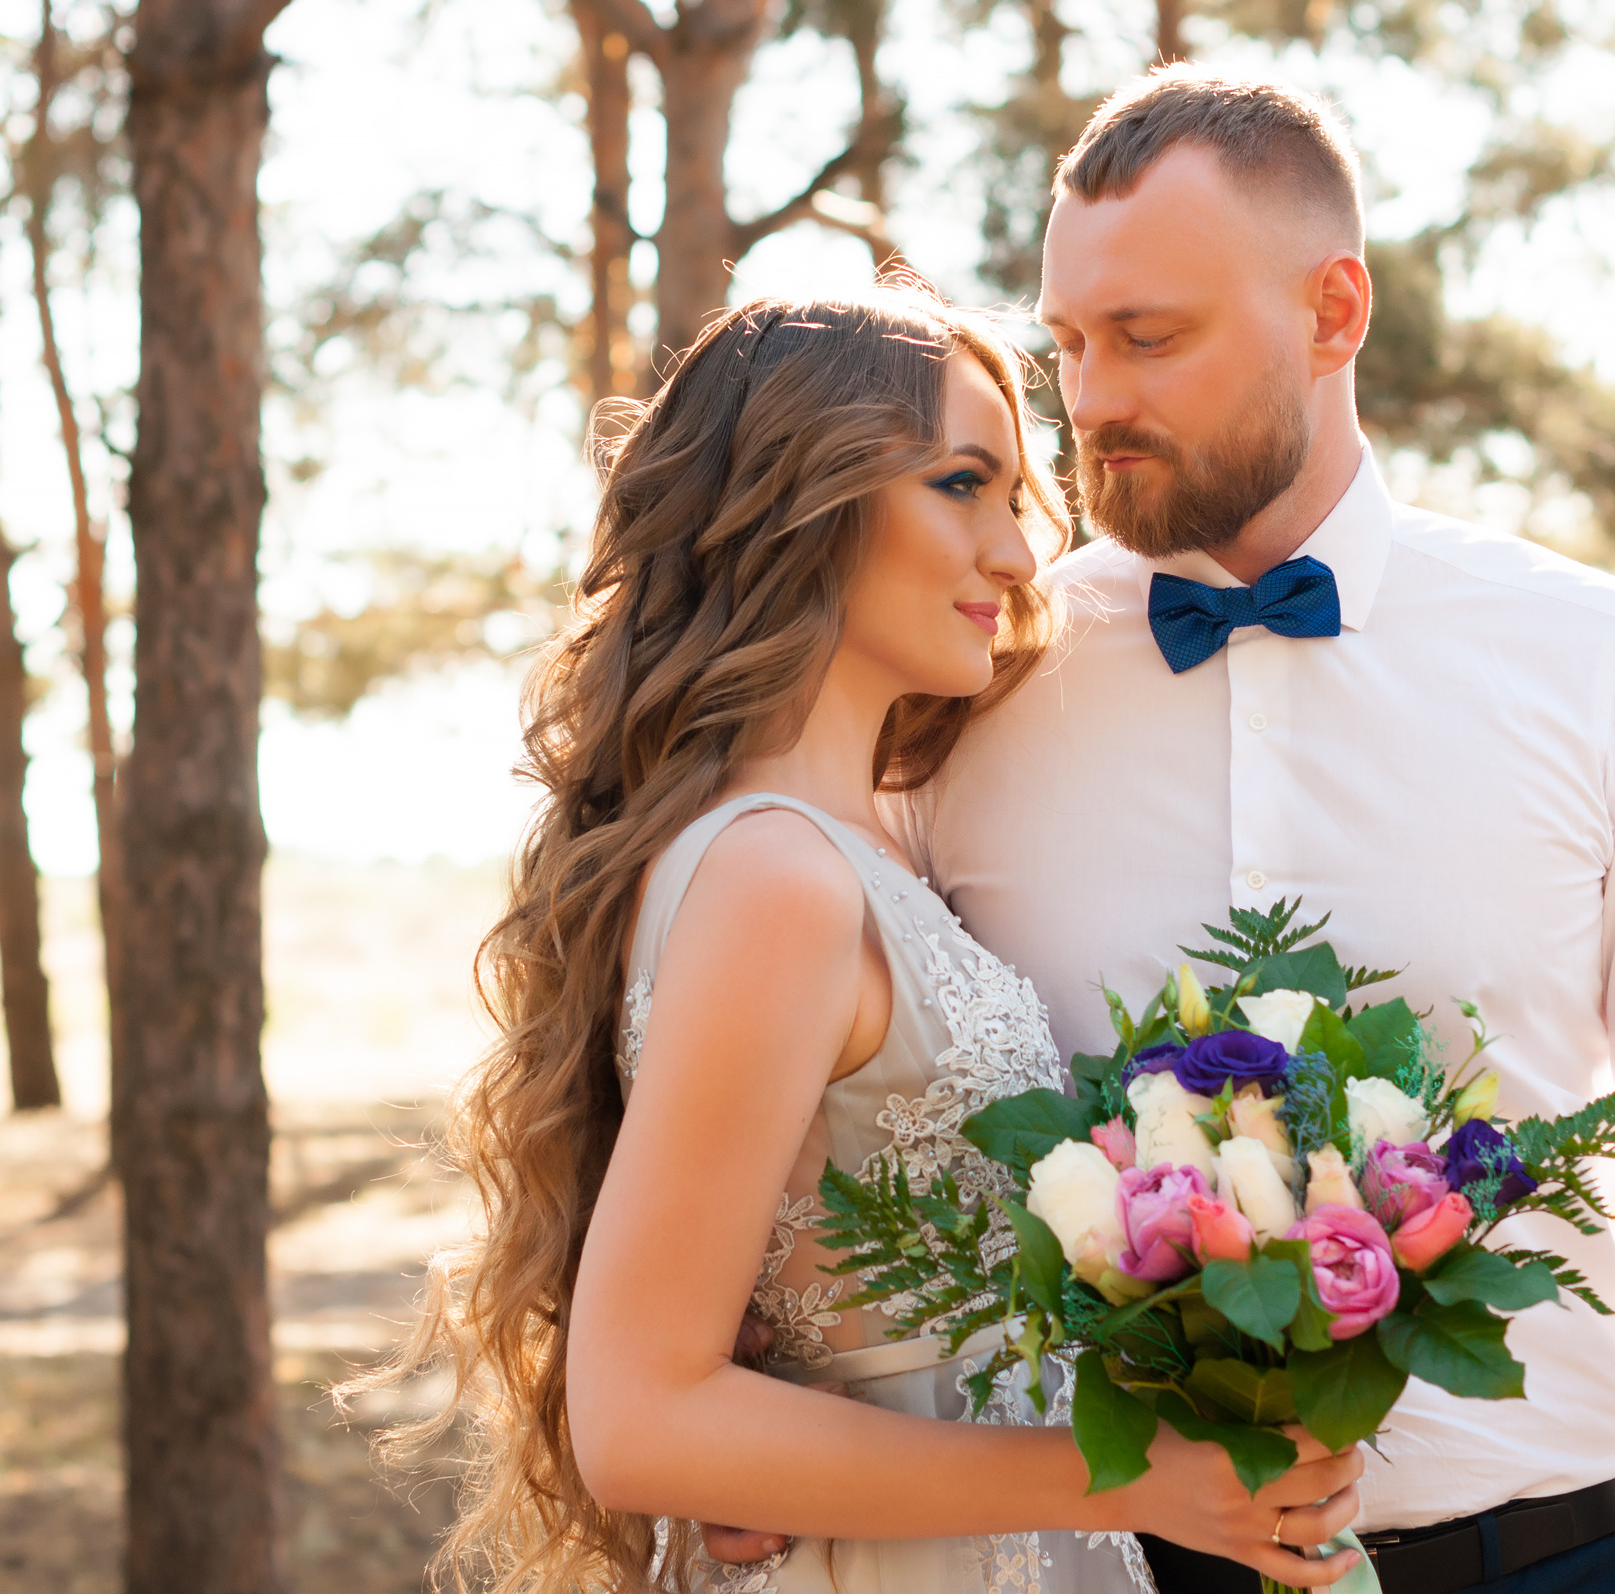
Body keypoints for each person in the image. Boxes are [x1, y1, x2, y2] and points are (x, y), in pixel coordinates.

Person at [889, 67, 1615, 1594]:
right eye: (1067, 343)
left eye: (1150, 337)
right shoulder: (969, 681)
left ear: (1335, 311)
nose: (1091, 400)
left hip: (1556, 1557)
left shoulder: (1603, 666)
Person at [369, 288, 1370, 1594]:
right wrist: (1133, 1470)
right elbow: (641, 1418)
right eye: (964, 483)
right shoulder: (778, 878)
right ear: (801, 494)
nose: (1018, 555)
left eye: (1017, 497)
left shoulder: (852, 846)